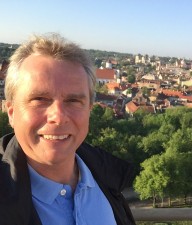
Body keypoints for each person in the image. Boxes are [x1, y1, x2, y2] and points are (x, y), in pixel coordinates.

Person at [0, 33, 136, 225]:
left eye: (73, 100)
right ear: (11, 112)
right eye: (39, 99)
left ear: (89, 110)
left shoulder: (108, 177)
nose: (58, 116)